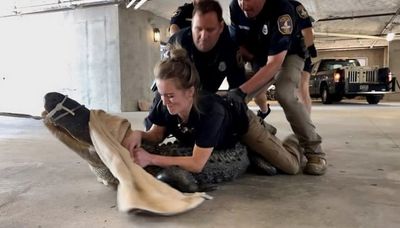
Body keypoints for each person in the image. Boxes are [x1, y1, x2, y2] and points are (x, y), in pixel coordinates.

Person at [123, 47, 302, 176]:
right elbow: (156, 135)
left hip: (240, 123)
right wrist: (138, 134)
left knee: (291, 167)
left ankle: (292, 141)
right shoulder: (163, 103)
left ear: (190, 92)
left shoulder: (211, 112)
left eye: (170, 95)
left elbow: (196, 163)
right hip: (215, 127)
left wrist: (150, 159)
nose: (164, 101)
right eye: (161, 94)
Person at [229, 0, 327, 175]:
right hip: (258, 56)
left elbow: (275, 64)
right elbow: (238, 44)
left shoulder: (283, 10)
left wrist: (242, 91)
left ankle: (314, 151)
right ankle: (261, 132)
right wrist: (238, 88)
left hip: (288, 55)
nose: (244, 4)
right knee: (234, 100)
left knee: (285, 93)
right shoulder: (235, 7)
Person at [145, 0, 246, 129]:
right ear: (192, 24)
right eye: (199, 29)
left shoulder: (230, 47)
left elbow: (238, 89)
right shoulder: (178, 42)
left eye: (210, 30)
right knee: (155, 120)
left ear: (220, 28)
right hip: (179, 96)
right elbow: (165, 81)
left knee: (241, 123)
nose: (203, 36)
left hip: (206, 97)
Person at [293, 0, 318, 113]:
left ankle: (307, 125)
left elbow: (307, 29)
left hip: (300, 53)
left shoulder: (295, 6)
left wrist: (310, 46)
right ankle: (302, 123)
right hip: (281, 55)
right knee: (292, 93)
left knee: (302, 88)